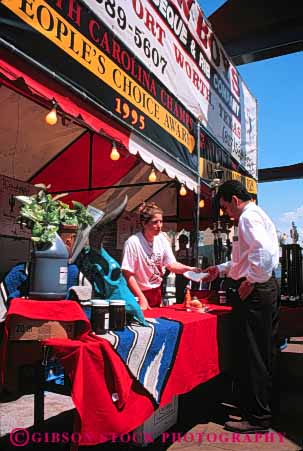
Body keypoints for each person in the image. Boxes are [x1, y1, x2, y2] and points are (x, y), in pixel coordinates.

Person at [204, 180, 280, 433]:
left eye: (226, 208)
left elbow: (264, 253)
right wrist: (222, 269)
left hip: (257, 291)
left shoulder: (247, 218)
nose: (227, 213)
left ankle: (258, 418)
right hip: (263, 287)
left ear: (234, 200)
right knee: (262, 351)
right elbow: (244, 257)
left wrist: (250, 281)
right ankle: (259, 407)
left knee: (254, 354)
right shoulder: (256, 215)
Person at [121, 202, 202, 309]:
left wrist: (189, 269)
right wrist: (141, 298)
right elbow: (127, 273)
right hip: (137, 293)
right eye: (155, 222)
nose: (159, 226)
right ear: (144, 223)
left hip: (156, 291)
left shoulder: (162, 239)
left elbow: (171, 264)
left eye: (161, 221)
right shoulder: (133, 242)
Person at [175, 234, 193, 303]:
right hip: (179, 277)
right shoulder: (176, 253)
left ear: (186, 242)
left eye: (183, 242)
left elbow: (194, 264)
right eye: (180, 242)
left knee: (188, 294)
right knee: (179, 295)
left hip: (188, 277)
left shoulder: (191, 252)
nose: (181, 243)